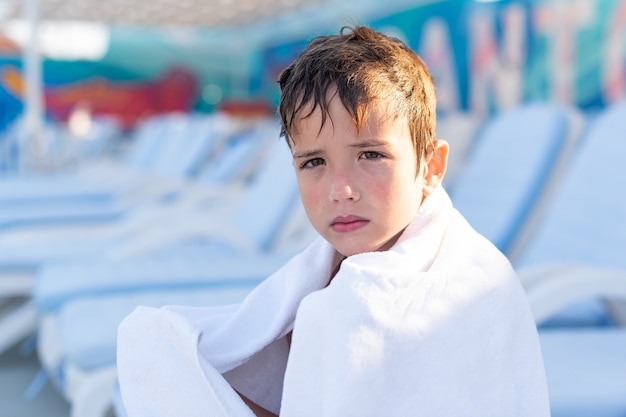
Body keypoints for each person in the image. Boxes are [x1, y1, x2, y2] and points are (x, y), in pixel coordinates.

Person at [117, 26, 550, 417]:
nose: (340, 189)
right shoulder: (336, 269)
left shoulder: (461, 278)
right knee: (150, 338)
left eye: (371, 155)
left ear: (431, 168)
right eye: (314, 163)